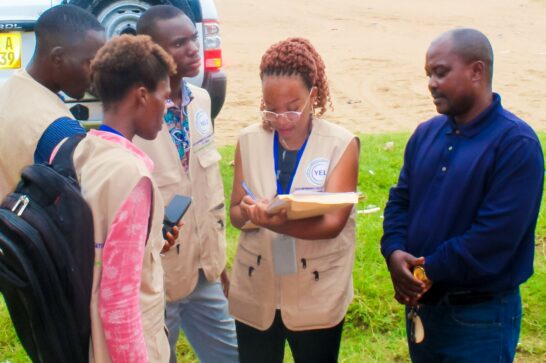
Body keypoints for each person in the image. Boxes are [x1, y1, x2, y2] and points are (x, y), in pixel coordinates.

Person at [381, 28, 544, 362]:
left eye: (441, 72)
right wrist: (394, 251)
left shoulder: (516, 145)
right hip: (423, 309)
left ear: (477, 71)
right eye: (429, 74)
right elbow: (400, 201)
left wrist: (426, 271)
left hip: (481, 319)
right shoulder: (425, 134)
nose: (431, 83)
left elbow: (495, 238)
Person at [229, 37, 360, 363]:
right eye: (271, 108)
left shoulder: (340, 145)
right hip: (256, 290)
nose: (281, 119)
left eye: (292, 107)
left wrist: (278, 221)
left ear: (313, 96)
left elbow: (333, 223)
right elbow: (234, 212)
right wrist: (246, 213)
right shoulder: (248, 140)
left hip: (315, 293)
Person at [135, 6, 238, 363]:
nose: (193, 49)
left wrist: (219, 261)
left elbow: (207, 184)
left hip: (204, 269)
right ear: (152, 52)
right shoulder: (136, 114)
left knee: (231, 355)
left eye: (193, 38)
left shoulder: (202, 102)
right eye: (179, 43)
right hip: (155, 280)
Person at [70, 34, 176, 362]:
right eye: (165, 96)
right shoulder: (131, 176)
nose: (168, 106)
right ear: (142, 96)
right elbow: (118, 303)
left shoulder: (88, 149)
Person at [0, 4, 105, 197]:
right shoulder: (61, 131)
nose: (95, 73)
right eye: (89, 63)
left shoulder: (9, 89)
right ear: (58, 57)